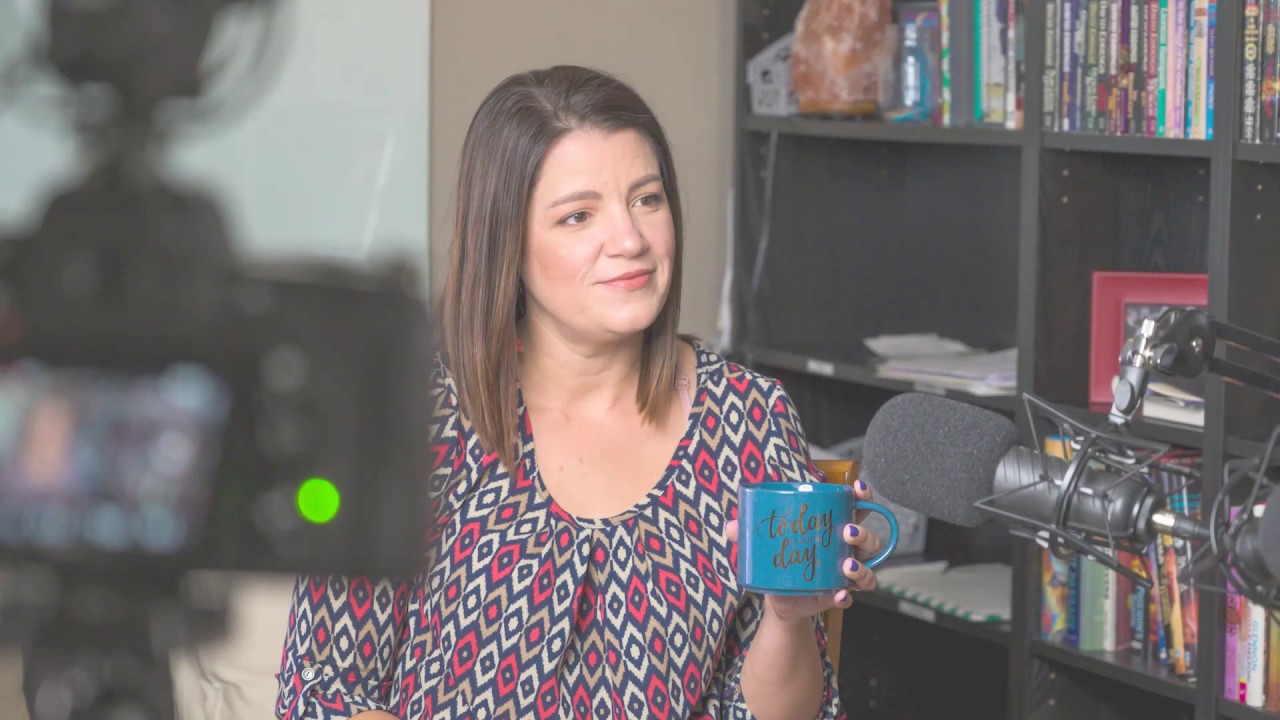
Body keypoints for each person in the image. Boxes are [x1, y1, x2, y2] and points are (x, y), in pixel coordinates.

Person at [274, 64, 882, 720]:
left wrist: (788, 620)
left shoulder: (748, 417)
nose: (630, 240)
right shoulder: (408, 418)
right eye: (577, 216)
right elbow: (321, 691)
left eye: (647, 199)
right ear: (507, 244)